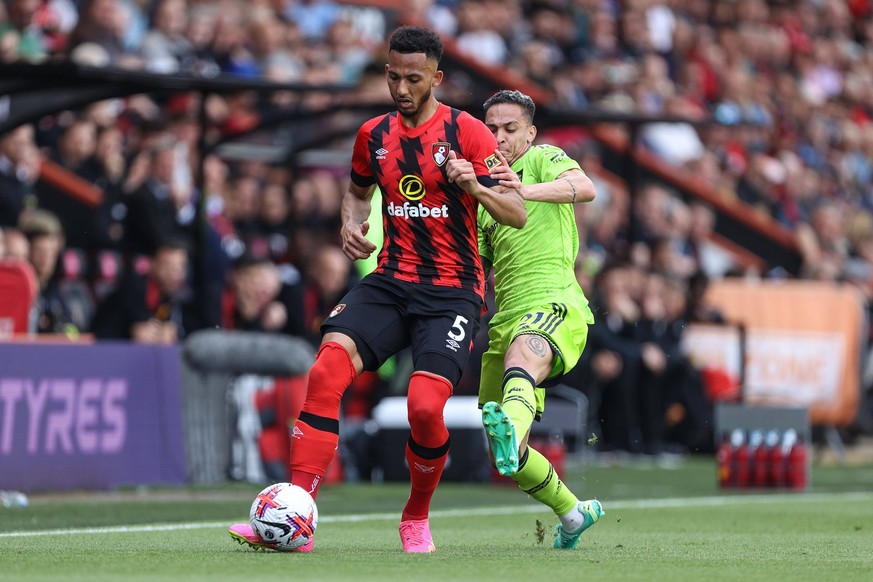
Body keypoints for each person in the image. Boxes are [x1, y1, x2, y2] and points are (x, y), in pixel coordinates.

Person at [228, 24, 526, 553]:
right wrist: (350, 223)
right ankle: (297, 510)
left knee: (424, 408)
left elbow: (517, 213)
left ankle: (415, 516)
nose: (401, 88)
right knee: (324, 370)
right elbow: (356, 193)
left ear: (437, 76)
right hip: (390, 280)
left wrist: (472, 185)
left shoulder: (469, 135)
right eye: (394, 76)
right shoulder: (374, 135)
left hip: (452, 291)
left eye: (414, 78)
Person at [475, 89, 604, 549]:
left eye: (510, 129)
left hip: (555, 301)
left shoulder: (545, 158)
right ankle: (573, 514)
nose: (500, 138)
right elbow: (479, 264)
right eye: (491, 129)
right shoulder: (482, 193)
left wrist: (523, 189)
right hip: (504, 315)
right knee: (507, 457)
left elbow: (585, 187)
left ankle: (512, 419)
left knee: (524, 353)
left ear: (529, 133)